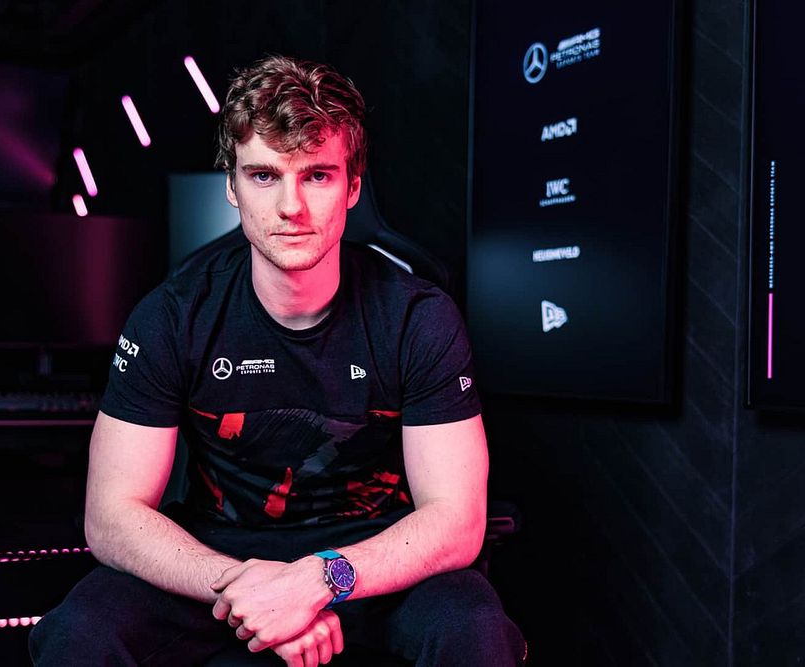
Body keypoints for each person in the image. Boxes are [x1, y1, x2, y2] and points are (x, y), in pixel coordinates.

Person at [30, 54, 525, 667]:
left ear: (353, 187)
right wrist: (249, 589)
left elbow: (456, 520)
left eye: (317, 175)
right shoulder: (172, 316)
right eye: (264, 176)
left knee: (474, 630)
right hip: (218, 559)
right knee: (78, 632)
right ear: (232, 188)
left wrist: (316, 581)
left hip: (370, 562)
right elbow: (110, 516)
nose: (291, 206)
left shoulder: (417, 317)